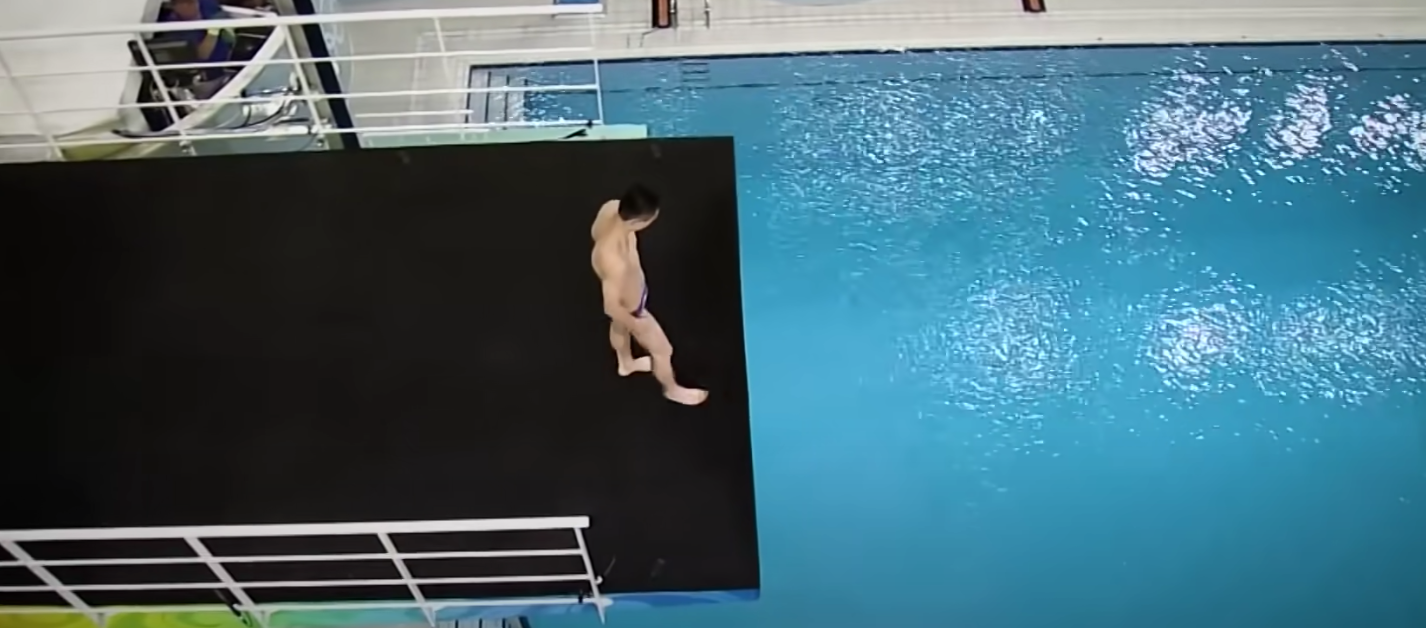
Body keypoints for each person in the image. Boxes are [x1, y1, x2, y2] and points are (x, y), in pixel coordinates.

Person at [591, 185, 709, 406]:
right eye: (649, 220)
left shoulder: (611, 208)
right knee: (663, 350)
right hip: (632, 306)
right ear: (636, 222)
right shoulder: (613, 258)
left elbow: (596, 233)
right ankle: (672, 389)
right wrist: (637, 323)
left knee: (618, 326)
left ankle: (626, 363)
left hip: (624, 289)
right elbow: (610, 306)